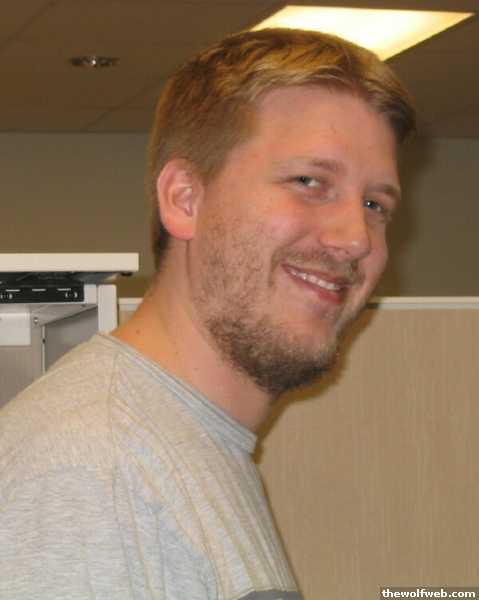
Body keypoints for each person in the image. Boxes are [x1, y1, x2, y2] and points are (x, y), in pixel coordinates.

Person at [0, 28, 415, 599]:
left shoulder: (186, 447)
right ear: (184, 199)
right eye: (309, 182)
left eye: (374, 204)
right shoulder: (93, 474)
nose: (356, 238)